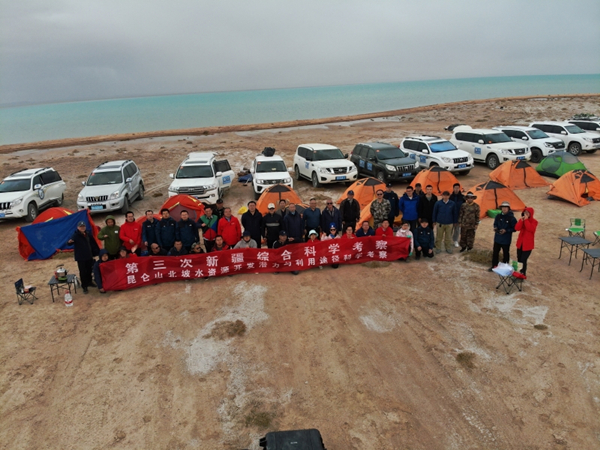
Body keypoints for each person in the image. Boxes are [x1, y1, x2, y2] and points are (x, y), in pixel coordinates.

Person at [67, 221, 100, 294]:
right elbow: (69, 242)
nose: (82, 228)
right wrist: (69, 242)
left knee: (89, 270)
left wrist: (96, 251)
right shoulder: (75, 235)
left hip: (89, 255)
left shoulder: (88, 233)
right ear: (78, 227)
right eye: (81, 227)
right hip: (81, 257)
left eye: (83, 226)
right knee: (83, 272)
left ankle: (89, 282)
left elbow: (92, 243)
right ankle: (84, 285)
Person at [490, 201, 517, 271]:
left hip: (506, 239)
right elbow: (495, 223)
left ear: (508, 208)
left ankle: (505, 267)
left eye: (506, 207)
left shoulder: (512, 218)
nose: (504, 209)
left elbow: (515, 228)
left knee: (506, 253)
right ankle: (494, 266)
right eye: (503, 207)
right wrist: (495, 228)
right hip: (497, 238)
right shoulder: (498, 216)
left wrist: (506, 230)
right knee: (495, 253)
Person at [515, 207, 537, 276]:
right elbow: (517, 228)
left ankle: (523, 274)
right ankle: (518, 273)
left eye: (527, 213)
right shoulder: (522, 220)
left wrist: (526, 220)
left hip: (528, 245)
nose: (526, 214)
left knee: (523, 260)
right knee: (519, 259)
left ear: (531, 214)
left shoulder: (534, 222)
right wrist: (521, 221)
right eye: (525, 213)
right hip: (520, 244)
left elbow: (530, 228)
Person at [449, 183, 465, 248]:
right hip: (451, 216)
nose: (456, 189)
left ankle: (455, 240)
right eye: (455, 188)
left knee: (457, 229)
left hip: (459, 215)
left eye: (457, 188)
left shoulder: (462, 197)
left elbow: (464, 207)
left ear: (459, 189)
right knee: (450, 229)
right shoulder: (450, 197)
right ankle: (448, 240)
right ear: (453, 189)